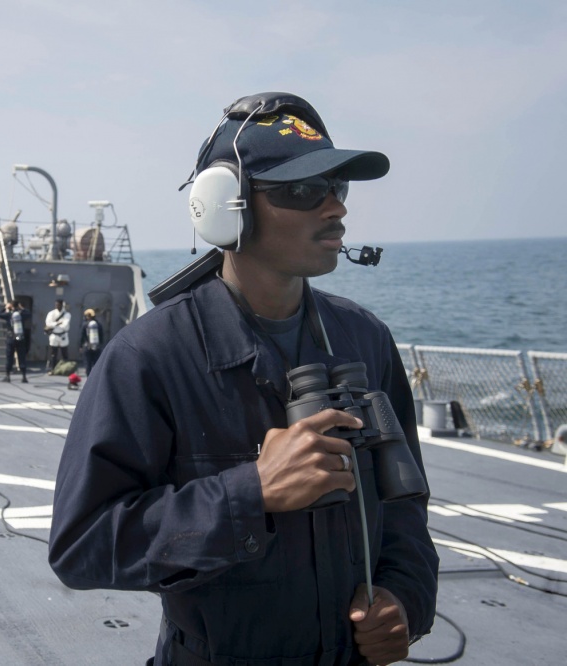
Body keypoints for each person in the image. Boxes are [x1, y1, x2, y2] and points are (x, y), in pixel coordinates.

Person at [49, 92, 438, 666]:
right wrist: (250, 493)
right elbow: (82, 545)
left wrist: (405, 599)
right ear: (227, 206)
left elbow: (405, 507)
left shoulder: (365, 339)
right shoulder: (149, 356)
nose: (336, 210)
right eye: (303, 191)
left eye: (339, 188)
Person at [0, 300, 29, 383]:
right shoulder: (21, 315)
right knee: (22, 357)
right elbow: (29, 313)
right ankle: (24, 377)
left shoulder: (9, 315)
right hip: (20, 338)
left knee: (9, 357)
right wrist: (22, 308)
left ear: (11, 306)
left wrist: (5, 307)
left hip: (11, 338)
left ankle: (8, 376)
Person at [44, 299, 71, 374]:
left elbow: (64, 325)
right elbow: (48, 323)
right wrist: (57, 323)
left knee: (64, 353)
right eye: (56, 305)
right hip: (54, 335)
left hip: (63, 335)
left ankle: (66, 369)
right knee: (53, 354)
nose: (57, 306)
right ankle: (53, 369)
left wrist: (54, 324)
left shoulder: (67, 314)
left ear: (62, 305)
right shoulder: (51, 313)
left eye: (59, 305)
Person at [79, 308, 103, 376]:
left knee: (88, 364)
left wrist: (80, 346)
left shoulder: (85, 325)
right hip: (97, 347)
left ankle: (88, 379)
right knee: (96, 364)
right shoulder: (99, 325)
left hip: (87, 347)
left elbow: (82, 336)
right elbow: (101, 337)